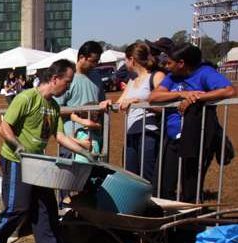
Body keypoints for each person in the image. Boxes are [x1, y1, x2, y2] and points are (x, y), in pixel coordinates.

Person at [0, 59, 94, 243]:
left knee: (47, 206)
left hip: (38, 163)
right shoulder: (26, 98)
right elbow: (4, 128)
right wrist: (18, 147)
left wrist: (83, 151)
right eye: (67, 82)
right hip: (16, 160)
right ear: (55, 79)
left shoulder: (53, 106)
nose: (68, 87)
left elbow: (60, 136)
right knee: (18, 206)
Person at [150, 43, 236, 202]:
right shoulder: (172, 77)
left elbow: (229, 90)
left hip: (198, 138)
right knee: (163, 184)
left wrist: (197, 98)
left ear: (181, 63)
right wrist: (183, 94)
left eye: (169, 63)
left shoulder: (205, 73)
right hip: (173, 136)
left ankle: (192, 220)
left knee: (191, 184)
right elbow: (154, 97)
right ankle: (167, 218)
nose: (166, 66)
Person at [116, 42, 165, 182]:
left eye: (125, 59)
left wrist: (140, 103)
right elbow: (119, 103)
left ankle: (150, 203)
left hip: (148, 132)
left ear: (132, 60)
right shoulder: (132, 81)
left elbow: (164, 106)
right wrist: (107, 103)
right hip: (131, 132)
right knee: (130, 176)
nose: (125, 63)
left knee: (146, 176)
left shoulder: (156, 76)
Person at [55, 41, 110, 163]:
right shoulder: (68, 77)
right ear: (81, 57)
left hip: (94, 139)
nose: (95, 65)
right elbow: (55, 109)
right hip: (72, 141)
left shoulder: (96, 76)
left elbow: (101, 102)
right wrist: (79, 113)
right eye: (93, 61)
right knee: (71, 179)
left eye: (97, 61)